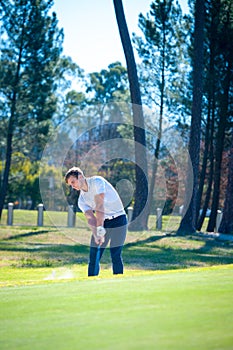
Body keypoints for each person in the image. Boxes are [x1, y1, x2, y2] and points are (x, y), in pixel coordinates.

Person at [65, 166, 127, 276]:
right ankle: (91, 282)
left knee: (115, 253)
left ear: (80, 177)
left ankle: (119, 281)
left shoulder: (97, 181)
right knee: (94, 253)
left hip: (119, 219)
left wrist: (100, 229)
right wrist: (96, 234)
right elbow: (90, 218)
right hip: (103, 222)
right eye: (71, 185)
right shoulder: (81, 200)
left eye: (73, 182)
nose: (73, 186)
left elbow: (99, 205)